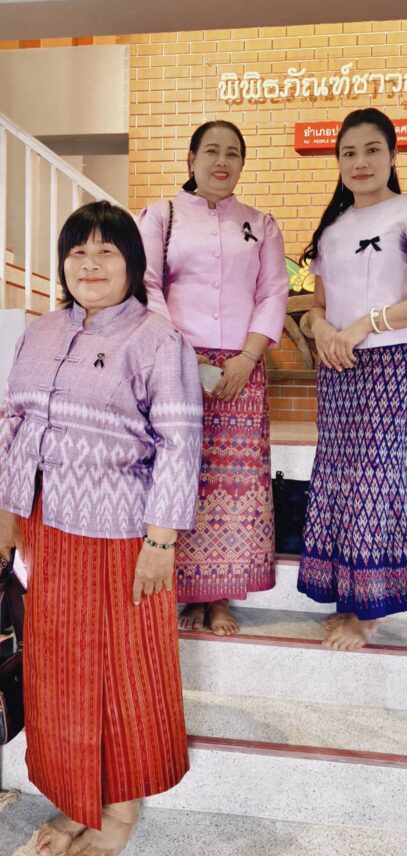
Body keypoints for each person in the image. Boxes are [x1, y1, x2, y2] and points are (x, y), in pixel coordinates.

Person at [0, 201, 203, 856]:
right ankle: (73, 797)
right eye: (78, 252)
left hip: (122, 532)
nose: (89, 264)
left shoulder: (155, 339)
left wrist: (162, 540)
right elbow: (12, 422)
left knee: (122, 669)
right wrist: (4, 510)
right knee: (57, 666)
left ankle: (119, 809)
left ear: (132, 264)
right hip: (45, 528)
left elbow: (180, 443)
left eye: (106, 251)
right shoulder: (40, 332)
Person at [298, 108, 407, 651]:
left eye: (371, 150)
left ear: (392, 154)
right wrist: (321, 329)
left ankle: (371, 610)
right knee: (338, 478)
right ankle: (350, 597)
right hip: (336, 366)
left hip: (389, 362)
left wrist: (365, 325)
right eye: (349, 152)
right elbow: (318, 306)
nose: (360, 162)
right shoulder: (333, 228)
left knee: (373, 478)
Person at [138, 120, 288, 635]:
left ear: (242, 163)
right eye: (211, 151)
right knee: (180, 474)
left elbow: (273, 292)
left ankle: (221, 596)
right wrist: (178, 352)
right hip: (175, 361)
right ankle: (180, 590)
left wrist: (247, 358)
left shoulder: (261, 224)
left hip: (242, 367)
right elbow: (146, 283)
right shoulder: (162, 215)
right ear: (191, 159)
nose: (222, 162)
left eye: (232, 153)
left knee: (234, 483)